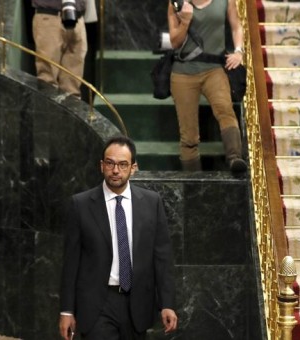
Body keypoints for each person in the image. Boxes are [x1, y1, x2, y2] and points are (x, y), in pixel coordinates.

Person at [59, 136, 178, 340]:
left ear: (133, 168)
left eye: (123, 164)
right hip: (97, 303)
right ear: (101, 165)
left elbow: (163, 258)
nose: (116, 170)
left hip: (138, 303)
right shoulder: (81, 205)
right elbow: (71, 263)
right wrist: (67, 311)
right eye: (110, 163)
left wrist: (167, 304)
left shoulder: (151, 203)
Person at [167, 0, 248, 172]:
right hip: (183, 73)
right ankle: (193, 181)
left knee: (225, 110)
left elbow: (236, 26)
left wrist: (239, 51)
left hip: (214, 69)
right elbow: (174, 42)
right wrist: (186, 21)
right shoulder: (176, 3)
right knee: (189, 135)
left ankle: (235, 158)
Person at [32, 0, 88, 97]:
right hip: (50, 16)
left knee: (73, 84)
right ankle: (48, 110)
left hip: (77, 18)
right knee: (47, 80)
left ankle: (71, 110)